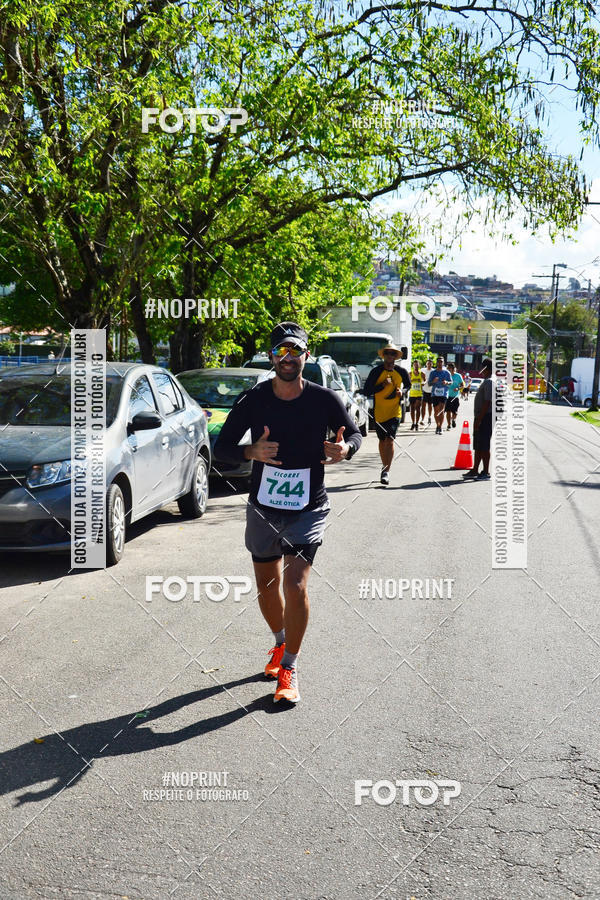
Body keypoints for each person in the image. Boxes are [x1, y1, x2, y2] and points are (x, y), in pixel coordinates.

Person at [214, 322, 362, 704]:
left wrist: (345, 450)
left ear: (305, 356)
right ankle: (280, 644)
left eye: (295, 350)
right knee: (267, 586)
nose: (288, 357)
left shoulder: (324, 398)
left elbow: (355, 433)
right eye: (281, 350)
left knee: (294, 584)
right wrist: (251, 452)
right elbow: (222, 447)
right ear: (271, 357)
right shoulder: (255, 399)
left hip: (307, 506)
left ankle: (290, 667)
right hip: (264, 507)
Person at [360, 342, 410, 485]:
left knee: (390, 439)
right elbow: (367, 391)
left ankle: (386, 471)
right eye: (387, 353)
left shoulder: (401, 371)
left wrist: (402, 392)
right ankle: (384, 466)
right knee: (382, 441)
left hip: (395, 411)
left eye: (393, 353)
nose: (390, 356)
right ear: (384, 356)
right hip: (380, 412)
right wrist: (382, 386)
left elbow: (408, 385)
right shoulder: (376, 372)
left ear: (395, 357)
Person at [462, 358, 493, 479]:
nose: (481, 370)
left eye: (482, 367)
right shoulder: (486, 381)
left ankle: (486, 472)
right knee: (478, 445)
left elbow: (487, 402)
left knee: (484, 445)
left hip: (485, 417)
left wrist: (479, 419)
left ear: (487, 368)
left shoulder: (489, 382)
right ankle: (475, 469)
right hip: (481, 416)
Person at [427, 356, 452, 435]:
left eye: (441, 362)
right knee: (436, 411)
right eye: (439, 362)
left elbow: (451, 382)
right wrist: (433, 381)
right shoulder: (433, 373)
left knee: (441, 410)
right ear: (436, 363)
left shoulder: (447, 372)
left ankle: (440, 427)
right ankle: (437, 425)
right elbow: (429, 384)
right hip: (435, 393)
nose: (440, 363)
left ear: (443, 363)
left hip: (443, 393)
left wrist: (447, 382)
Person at [445, 362, 464, 430]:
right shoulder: (446, 375)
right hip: (447, 396)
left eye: (449, 368)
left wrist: (458, 388)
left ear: (453, 369)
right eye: (447, 368)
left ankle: (453, 420)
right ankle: (449, 425)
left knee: (455, 412)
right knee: (448, 411)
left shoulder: (458, 376)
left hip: (455, 396)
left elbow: (462, 385)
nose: (448, 370)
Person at [408, 359, 425, 431]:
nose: (416, 366)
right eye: (414, 365)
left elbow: (425, 380)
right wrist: (410, 382)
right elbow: (407, 382)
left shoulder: (422, 374)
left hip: (419, 393)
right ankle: (413, 423)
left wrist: (423, 383)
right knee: (412, 409)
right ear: (413, 366)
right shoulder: (410, 374)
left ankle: (417, 423)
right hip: (412, 393)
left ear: (419, 366)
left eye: (417, 365)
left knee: (418, 408)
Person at [420, 358, 434, 425]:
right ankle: (422, 419)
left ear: (432, 364)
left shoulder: (433, 371)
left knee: (430, 405)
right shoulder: (422, 370)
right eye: (428, 363)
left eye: (430, 364)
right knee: (423, 405)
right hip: (424, 390)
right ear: (426, 364)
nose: (429, 365)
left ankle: (429, 417)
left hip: (431, 390)